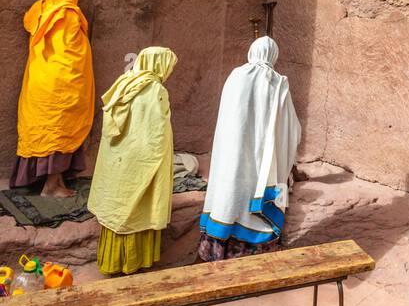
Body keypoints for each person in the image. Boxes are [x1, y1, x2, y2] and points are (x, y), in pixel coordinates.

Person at [198, 37, 301, 262]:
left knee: (229, 196)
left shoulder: (235, 76)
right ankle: (253, 256)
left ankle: (216, 252)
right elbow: (291, 128)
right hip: (261, 159)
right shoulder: (277, 82)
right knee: (254, 195)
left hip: (232, 155)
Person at [88, 47, 177, 276]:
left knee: (120, 209)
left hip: (119, 162)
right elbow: (158, 135)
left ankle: (112, 263)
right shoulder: (156, 89)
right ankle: (133, 264)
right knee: (138, 210)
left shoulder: (124, 82)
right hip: (142, 163)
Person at [12, 0, 95, 198]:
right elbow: (70, 50)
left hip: (40, 81)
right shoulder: (66, 13)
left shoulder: (39, 11)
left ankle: (55, 181)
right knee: (59, 131)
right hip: (61, 82)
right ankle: (50, 187)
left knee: (47, 130)